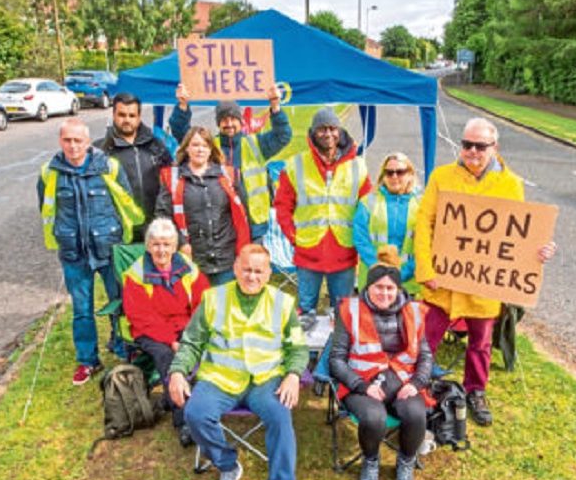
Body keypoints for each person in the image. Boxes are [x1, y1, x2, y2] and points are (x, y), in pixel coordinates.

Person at [414, 117, 557, 426]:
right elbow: (424, 223)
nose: (473, 152)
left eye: (480, 146)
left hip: (483, 286)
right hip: (443, 280)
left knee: (480, 344)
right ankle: (416, 386)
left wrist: (538, 251)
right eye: (467, 145)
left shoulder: (511, 184)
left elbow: (515, 236)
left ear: (495, 147)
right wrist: (425, 268)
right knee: (426, 339)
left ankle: (475, 391)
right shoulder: (442, 176)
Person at [168, 244, 308, 480]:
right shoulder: (213, 298)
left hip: (265, 380)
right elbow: (191, 342)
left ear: (269, 274)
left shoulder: (283, 303)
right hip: (221, 377)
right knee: (195, 414)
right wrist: (177, 371)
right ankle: (228, 466)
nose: (252, 276)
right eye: (246, 269)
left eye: (259, 271)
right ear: (235, 268)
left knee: (281, 418)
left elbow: (298, 347)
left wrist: (294, 375)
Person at [38, 118, 144, 385]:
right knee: (82, 310)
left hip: (109, 248)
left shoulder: (109, 167)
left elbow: (126, 202)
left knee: (120, 302)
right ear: (60, 141)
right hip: (74, 253)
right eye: (67, 140)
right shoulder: (50, 173)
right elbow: (46, 207)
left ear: (88, 142)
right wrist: (62, 235)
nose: (73, 146)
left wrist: (122, 240)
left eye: (78, 140)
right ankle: (88, 360)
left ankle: (123, 348)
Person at [329, 248, 433, 480]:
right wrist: (362, 386)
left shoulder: (414, 311)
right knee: (374, 417)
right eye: (378, 287)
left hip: (403, 380)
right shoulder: (350, 310)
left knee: (416, 413)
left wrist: (417, 383)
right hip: (361, 382)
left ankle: (406, 462)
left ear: (397, 289)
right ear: (368, 286)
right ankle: (371, 461)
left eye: (390, 288)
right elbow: (336, 360)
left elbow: (426, 356)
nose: (384, 293)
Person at [275, 107, 372, 324]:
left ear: (339, 131)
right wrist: (294, 237)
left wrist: (360, 239)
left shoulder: (358, 166)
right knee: (305, 312)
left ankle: (337, 345)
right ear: (313, 133)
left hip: (344, 251)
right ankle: (305, 345)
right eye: (322, 129)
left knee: (342, 314)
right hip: (308, 251)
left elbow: (367, 207)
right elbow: (282, 206)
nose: (328, 134)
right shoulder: (296, 165)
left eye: (332, 128)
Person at [122, 217, 209, 446]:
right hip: (151, 331)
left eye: (167, 244)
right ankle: (184, 421)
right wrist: (171, 340)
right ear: (148, 246)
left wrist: (193, 334)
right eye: (156, 244)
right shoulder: (136, 274)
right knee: (168, 358)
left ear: (174, 246)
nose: (161, 250)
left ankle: (206, 404)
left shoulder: (187, 267)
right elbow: (141, 317)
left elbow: (203, 301)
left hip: (185, 325)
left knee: (210, 347)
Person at [169, 83, 291, 241]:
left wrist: (275, 106)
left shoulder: (256, 144)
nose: (229, 124)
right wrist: (182, 106)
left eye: (233, 119)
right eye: (224, 120)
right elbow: (181, 132)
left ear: (241, 121)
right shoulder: (210, 146)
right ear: (218, 124)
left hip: (254, 226)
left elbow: (283, 135)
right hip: (221, 227)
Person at [155, 126, 250, 286]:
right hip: (191, 258)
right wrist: (181, 243)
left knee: (223, 300)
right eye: (195, 145)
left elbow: (243, 213)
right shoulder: (172, 177)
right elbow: (163, 216)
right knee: (196, 301)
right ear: (186, 148)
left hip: (226, 258)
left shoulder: (229, 175)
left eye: (205, 145)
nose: (200, 150)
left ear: (211, 149)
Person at [95, 92, 172, 241]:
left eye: (132, 115)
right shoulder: (100, 151)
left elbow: (170, 184)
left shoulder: (156, 146)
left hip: (154, 230)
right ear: (113, 115)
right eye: (122, 115)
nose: (127, 120)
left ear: (139, 117)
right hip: (118, 232)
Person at [353, 152, 421, 296]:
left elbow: (428, 244)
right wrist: (380, 270)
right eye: (389, 173)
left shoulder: (422, 205)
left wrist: (405, 272)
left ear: (410, 174)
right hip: (374, 281)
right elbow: (360, 239)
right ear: (383, 176)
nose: (394, 176)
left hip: (409, 283)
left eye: (400, 172)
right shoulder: (368, 202)